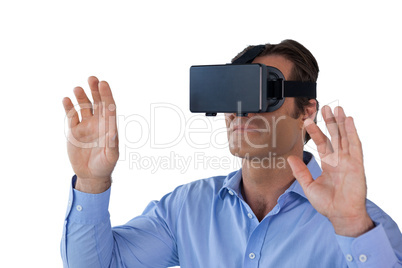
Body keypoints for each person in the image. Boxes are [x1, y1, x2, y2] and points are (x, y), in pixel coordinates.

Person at [61, 40, 402, 267]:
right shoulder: (187, 209)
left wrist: (351, 225)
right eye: (231, 92)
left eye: (262, 91)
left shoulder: (364, 225)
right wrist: (92, 182)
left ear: (307, 110)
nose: (240, 110)